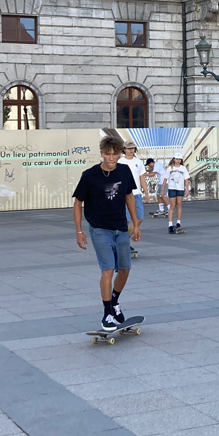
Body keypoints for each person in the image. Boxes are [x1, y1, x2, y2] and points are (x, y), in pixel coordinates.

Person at [73, 136, 141, 331]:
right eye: (108, 154)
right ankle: (107, 313)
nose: (111, 158)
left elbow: (129, 196)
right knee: (108, 270)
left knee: (125, 269)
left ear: (120, 154)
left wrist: (135, 224)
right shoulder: (89, 175)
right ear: (101, 153)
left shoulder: (124, 170)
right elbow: (78, 203)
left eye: (115, 154)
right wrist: (79, 231)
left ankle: (114, 302)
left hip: (120, 227)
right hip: (99, 228)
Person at [119, 141, 146, 257]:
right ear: (124, 149)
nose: (131, 150)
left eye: (132, 148)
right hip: (124, 194)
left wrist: (146, 192)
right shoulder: (120, 162)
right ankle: (123, 244)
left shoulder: (138, 162)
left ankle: (123, 241)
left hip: (136, 193)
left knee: (139, 218)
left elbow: (142, 177)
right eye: (128, 148)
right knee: (126, 221)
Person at [164, 155, 191, 233]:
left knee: (179, 205)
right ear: (174, 160)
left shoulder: (183, 168)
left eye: (179, 159)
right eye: (177, 159)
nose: (178, 161)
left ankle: (178, 223)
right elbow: (165, 179)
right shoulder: (170, 168)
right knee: (172, 206)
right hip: (172, 188)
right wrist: (162, 189)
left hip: (180, 188)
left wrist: (187, 189)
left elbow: (186, 179)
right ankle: (170, 225)